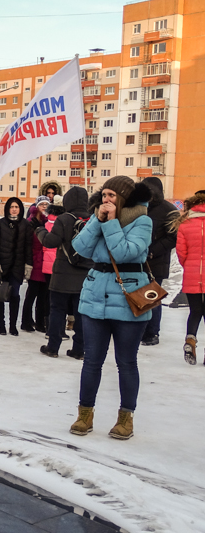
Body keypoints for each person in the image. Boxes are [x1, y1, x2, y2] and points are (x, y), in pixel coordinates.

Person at [69, 177, 153, 441]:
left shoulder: (142, 221)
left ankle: (125, 418)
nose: (106, 200)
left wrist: (112, 223)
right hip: (95, 296)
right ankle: (84, 414)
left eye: (112, 195)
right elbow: (80, 248)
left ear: (124, 198)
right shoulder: (100, 217)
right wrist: (97, 221)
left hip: (129, 298)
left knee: (126, 362)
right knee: (91, 360)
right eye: (104, 194)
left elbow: (125, 252)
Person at [35, 187, 92, 359]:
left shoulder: (64, 219)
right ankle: (79, 350)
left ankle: (53, 347)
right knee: (81, 314)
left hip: (62, 274)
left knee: (57, 311)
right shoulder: (93, 220)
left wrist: (40, 230)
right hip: (85, 275)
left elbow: (50, 241)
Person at [140, 177, 179, 346]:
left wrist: (152, 251)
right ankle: (138, 330)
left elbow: (173, 237)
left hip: (156, 261)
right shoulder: (138, 207)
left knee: (152, 298)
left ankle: (152, 333)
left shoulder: (169, 210)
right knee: (136, 297)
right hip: (136, 261)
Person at [0, 197, 32, 336]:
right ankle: (2, 326)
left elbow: (28, 247)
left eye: (16, 207)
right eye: (12, 207)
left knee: (15, 295)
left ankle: (13, 326)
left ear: (20, 209)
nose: (14, 209)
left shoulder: (25, 225)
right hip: (1, 267)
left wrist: (28, 265)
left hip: (17, 267)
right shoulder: (0, 224)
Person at [173, 191, 205, 364]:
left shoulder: (185, 225)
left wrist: (190, 265)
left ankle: (190, 340)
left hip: (191, 273)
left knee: (195, 311)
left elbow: (181, 252)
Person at [22, 198, 50, 332]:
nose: (44, 206)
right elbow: (27, 243)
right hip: (34, 261)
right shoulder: (30, 221)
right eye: (41, 204)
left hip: (45, 262)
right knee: (31, 293)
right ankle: (25, 321)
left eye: (46, 204)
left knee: (43, 295)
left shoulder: (49, 222)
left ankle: (40, 322)